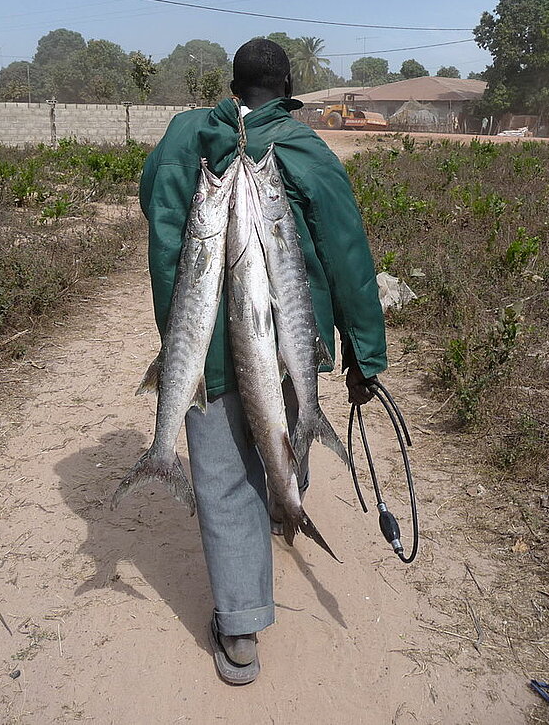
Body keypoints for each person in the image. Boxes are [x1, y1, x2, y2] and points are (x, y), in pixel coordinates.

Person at [138, 39, 387, 684]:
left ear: (231, 83)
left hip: (203, 352)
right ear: (288, 86)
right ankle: (281, 516)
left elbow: (157, 211)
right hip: (284, 350)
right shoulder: (305, 151)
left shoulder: (181, 139)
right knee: (275, 435)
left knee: (221, 477)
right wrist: (364, 357)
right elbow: (348, 255)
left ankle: (241, 625)